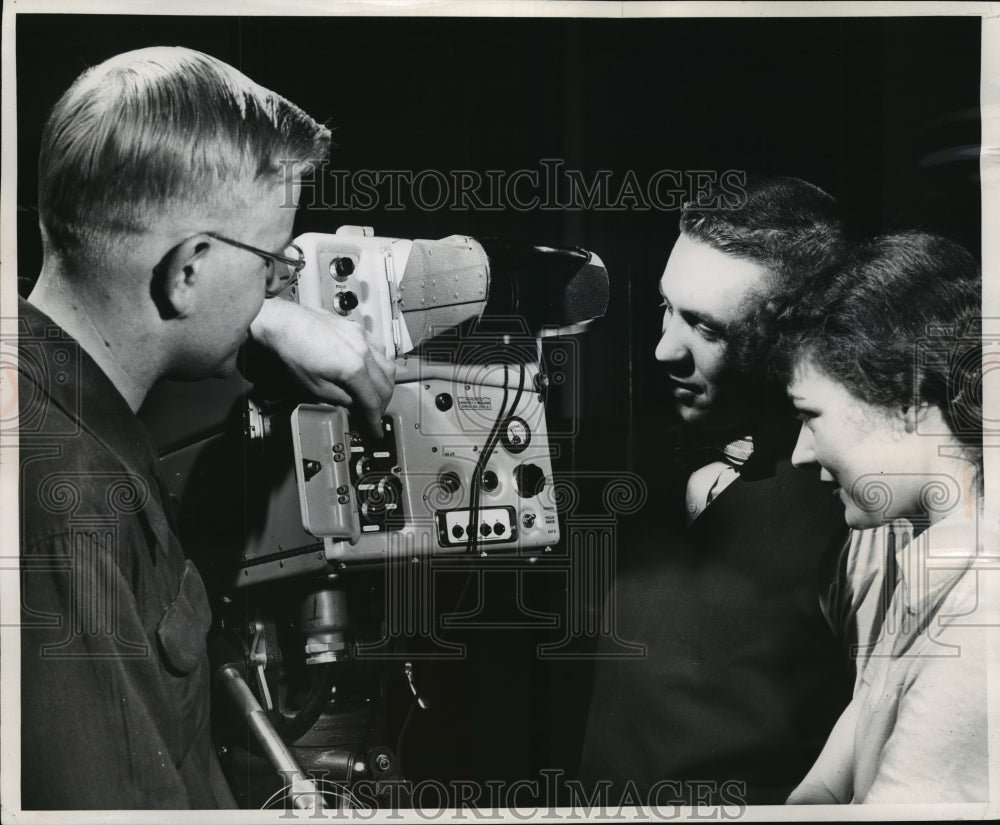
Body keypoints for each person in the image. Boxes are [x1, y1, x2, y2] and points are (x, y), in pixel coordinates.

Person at [17, 47, 395, 809]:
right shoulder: (75, 510)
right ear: (187, 270)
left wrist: (271, 317)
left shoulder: (46, 415)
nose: (278, 285)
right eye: (272, 263)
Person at [579, 176, 859, 806]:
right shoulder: (642, 467)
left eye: (706, 329)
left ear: (794, 336)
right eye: (664, 309)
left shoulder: (853, 512)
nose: (660, 351)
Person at [777, 231, 996, 803]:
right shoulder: (931, 565)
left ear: (908, 403)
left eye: (811, 415)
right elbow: (831, 778)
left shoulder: (978, 629)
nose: (800, 453)